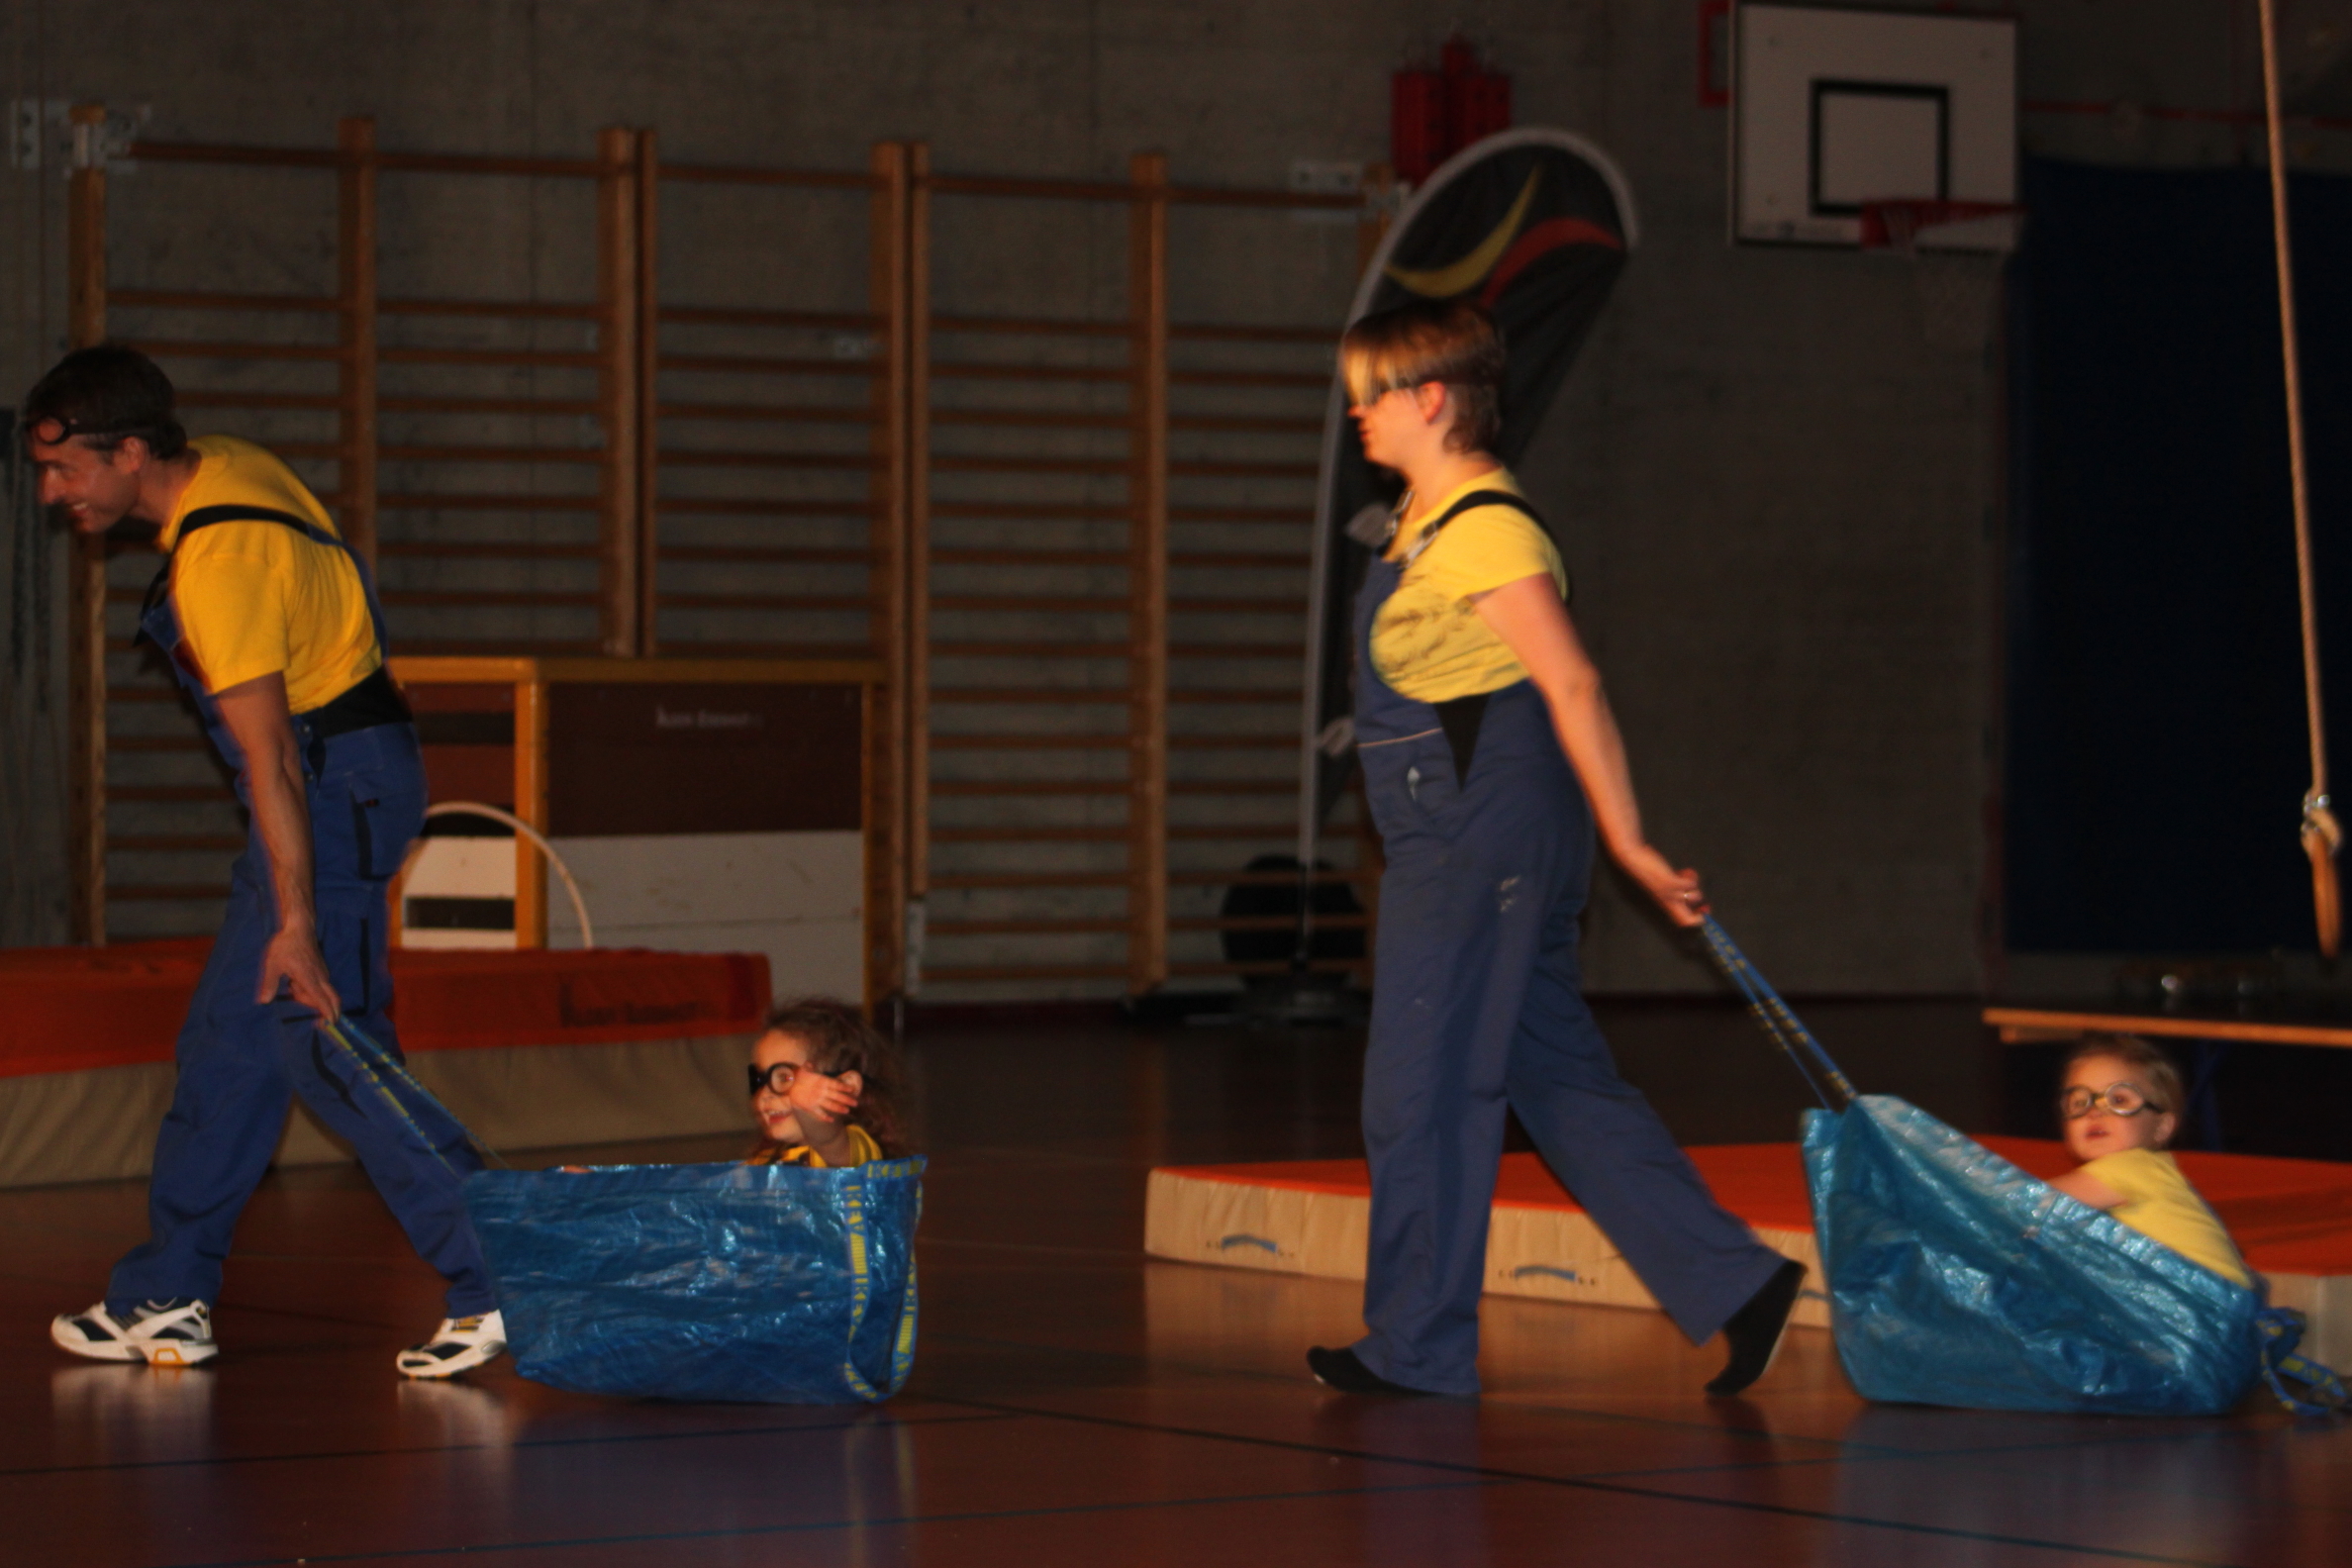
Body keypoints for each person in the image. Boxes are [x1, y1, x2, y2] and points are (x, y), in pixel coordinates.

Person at [1306, 301, 1805, 1400]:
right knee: (1553, 1076)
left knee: (1422, 1087)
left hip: (1476, 833)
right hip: (1476, 831)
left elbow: (1571, 682)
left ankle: (1417, 1347)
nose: (1358, 412)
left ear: (1432, 399)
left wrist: (1631, 842)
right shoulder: (1420, 522)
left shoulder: (1488, 528)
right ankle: (1736, 1284)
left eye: (1374, 393)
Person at [28, 344, 502, 1379]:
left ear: (132, 452)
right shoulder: (227, 462)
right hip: (348, 769)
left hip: (329, 785)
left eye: (65, 469)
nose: (52, 492)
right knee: (229, 1048)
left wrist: (295, 923)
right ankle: (167, 1294)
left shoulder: (219, 565)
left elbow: (273, 759)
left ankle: (498, 1269)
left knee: (324, 1035)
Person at [2048, 1034, 2251, 1287]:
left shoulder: (2132, 1167)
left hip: (2205, 1300)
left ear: (2161, 1127)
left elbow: (2033, 1202)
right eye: (2079, 1102)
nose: (2094, 1111)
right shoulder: (2155, 1172)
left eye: (2119, 1100)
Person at [743, 997, 907, 1167]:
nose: (765, 1095)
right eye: (761, 1079)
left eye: (785, 1078)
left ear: (846, 1087)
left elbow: (828, 1140)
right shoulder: (769, 1158)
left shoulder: (855, 1150)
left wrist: (804, 1108)